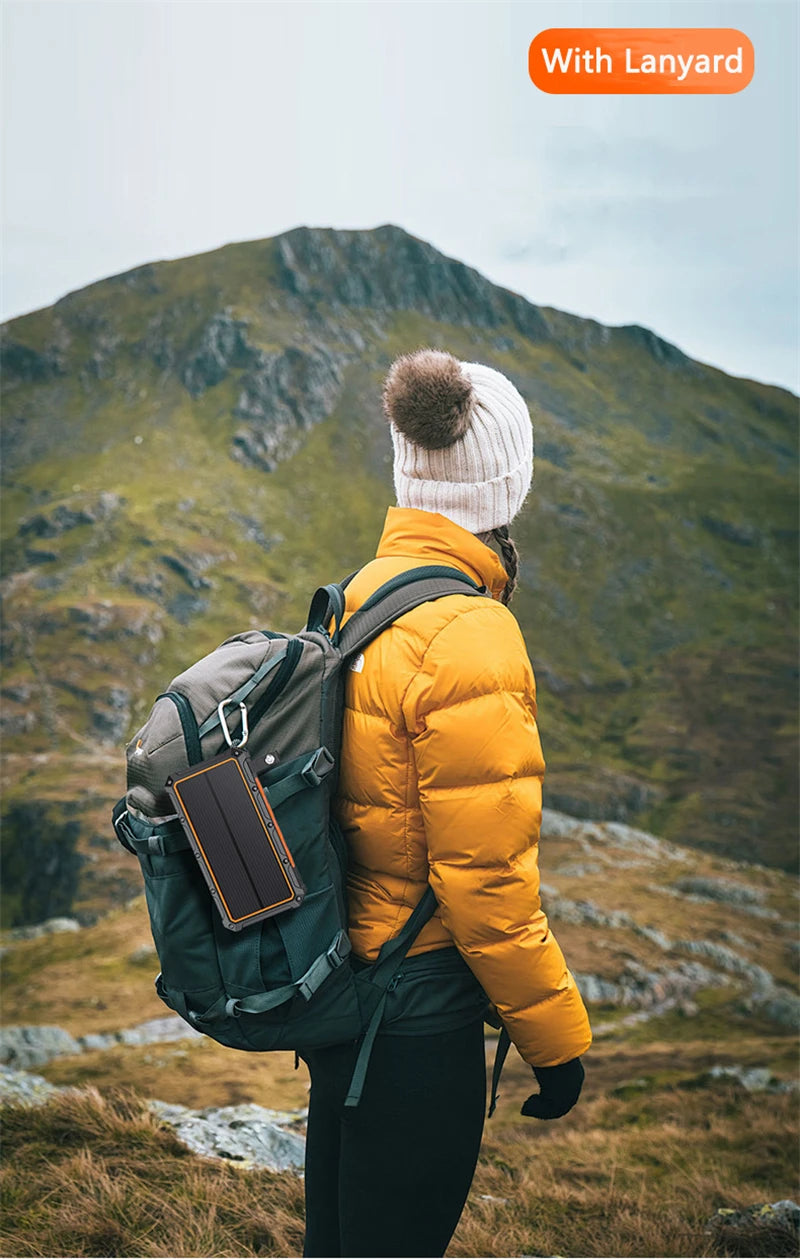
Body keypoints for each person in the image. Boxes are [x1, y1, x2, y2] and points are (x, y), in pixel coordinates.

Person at [301, 349, 592, 1259]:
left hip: (344, 995)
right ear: (507, 487)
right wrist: (556, 1039)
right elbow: (485, 878)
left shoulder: (356, 598)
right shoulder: (472, 635)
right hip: (417, 1019)